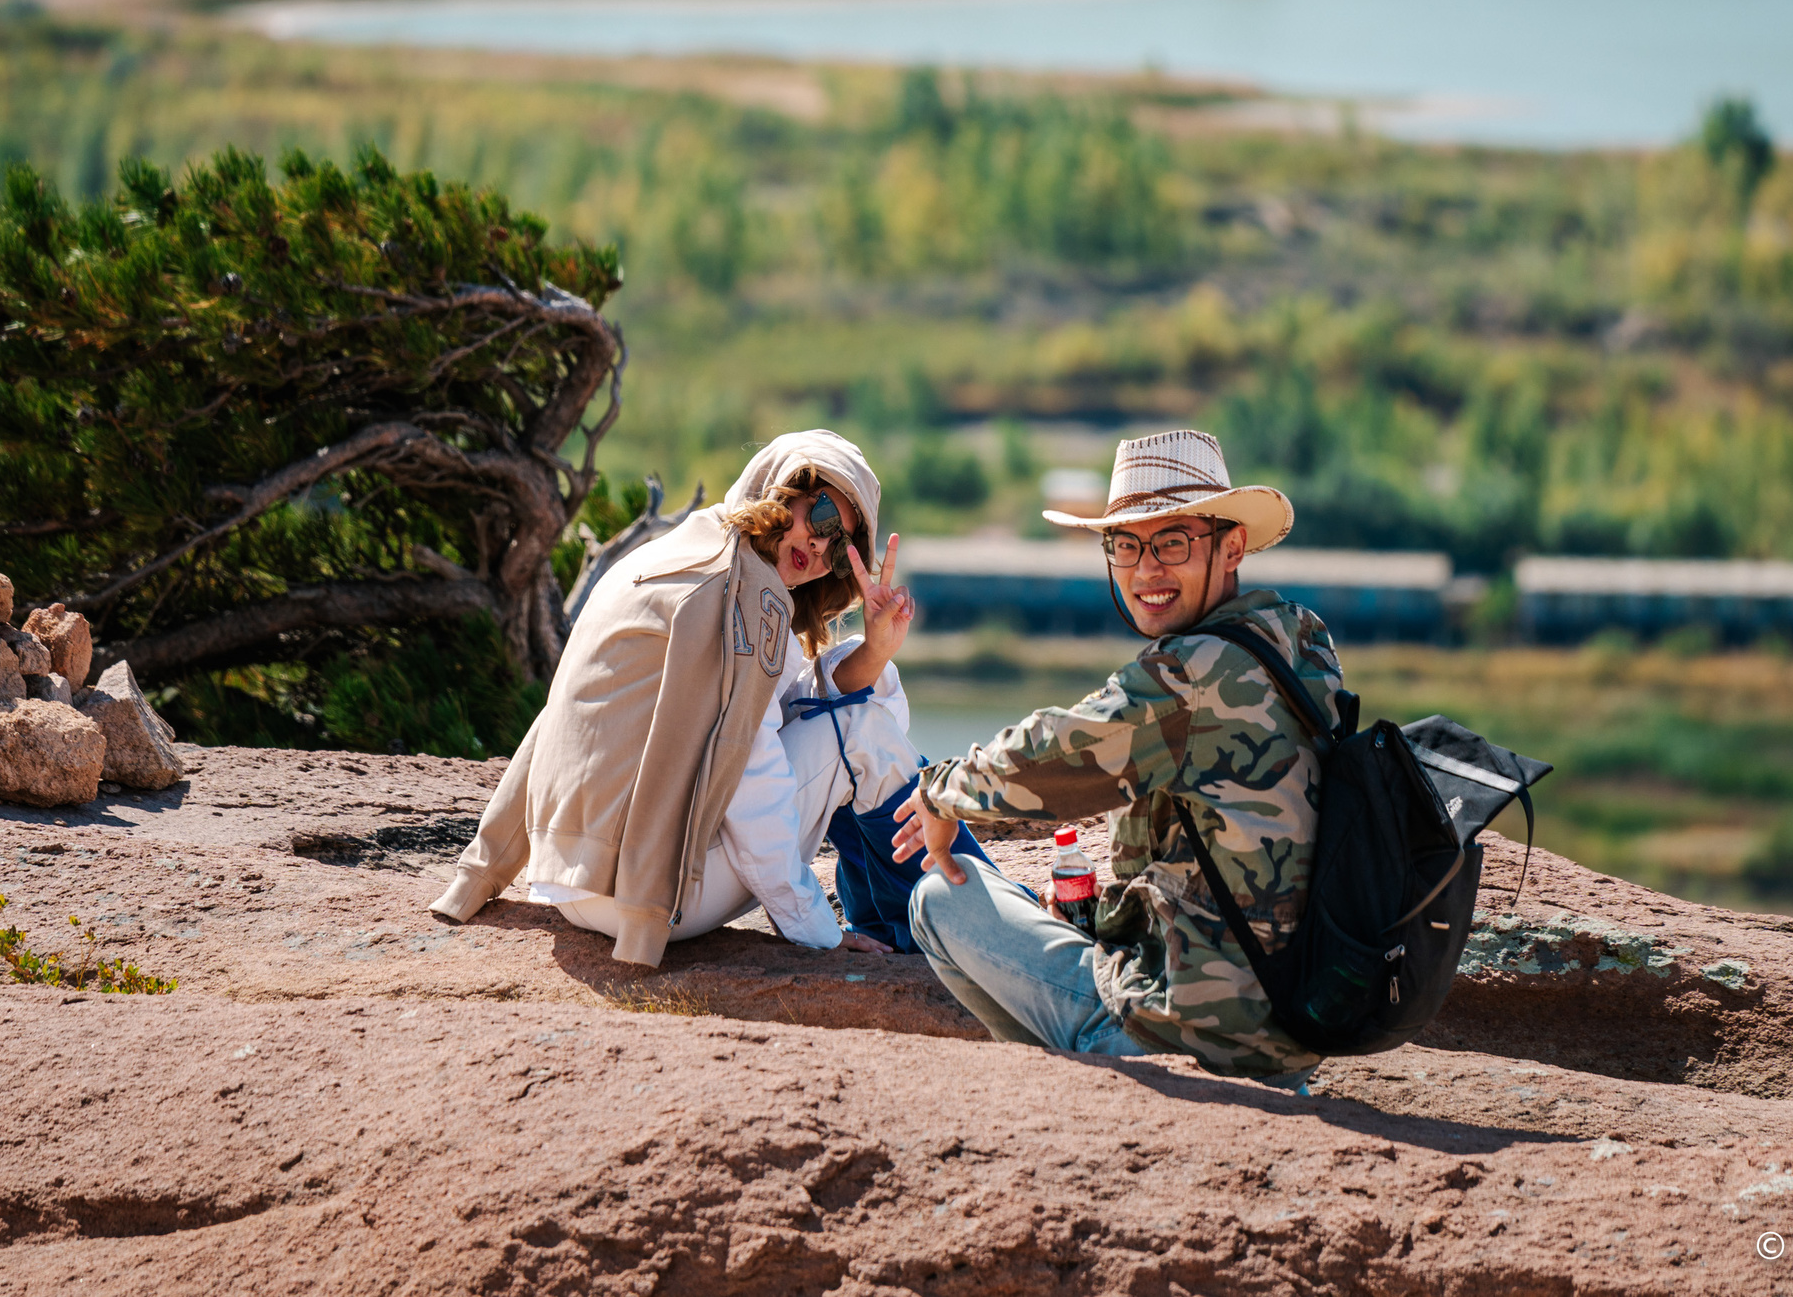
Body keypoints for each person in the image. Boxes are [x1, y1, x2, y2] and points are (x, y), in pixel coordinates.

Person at [891, 427, 1335, 1082]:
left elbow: (1054, 755)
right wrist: (1103, 916)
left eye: (1172, 542)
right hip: (1289, 1034)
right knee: (1057, 913)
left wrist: (940, 791)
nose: (1146, 569)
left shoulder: (1193, 674)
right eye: (1125, 545)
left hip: (1189, 1042)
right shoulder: (1298, 644)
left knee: (939, 897)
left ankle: (1093, 1088)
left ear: (1231, 544)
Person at [429, 430, 926, 963]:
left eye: (842, 545)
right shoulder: (741, 595)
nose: (822, 546)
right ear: (784, 487)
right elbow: (753, 786)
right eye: (824, 517)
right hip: (649, 897)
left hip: (572, 886)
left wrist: (484, 869)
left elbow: (555, 720)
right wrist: (816, 930)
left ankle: (926, 906)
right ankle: (928, 922)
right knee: (862, 732)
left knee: (861, 708)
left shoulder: (682, 553)